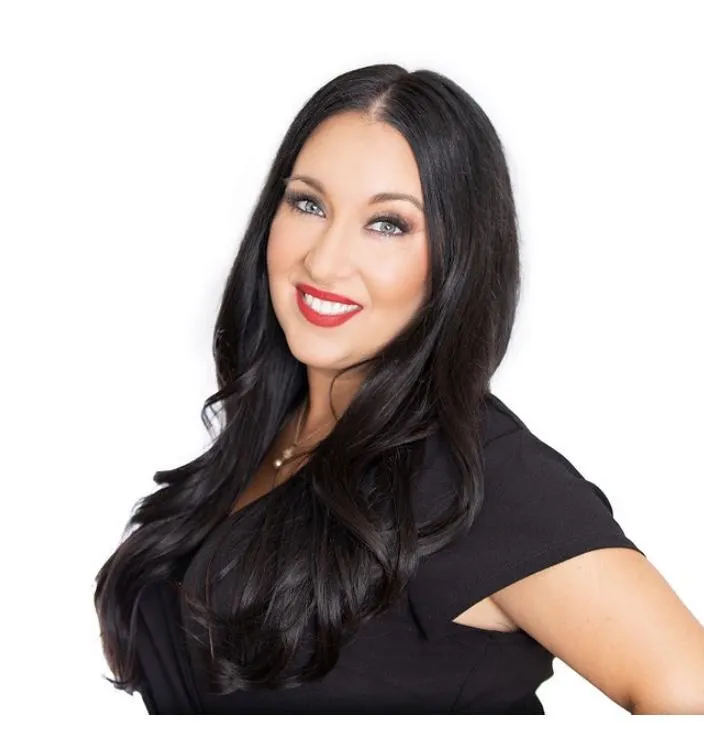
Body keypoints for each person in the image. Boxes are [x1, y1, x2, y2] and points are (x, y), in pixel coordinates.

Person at [93, 63, 704, 715]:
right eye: (308, 204)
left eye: (387, 224)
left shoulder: (481, 480)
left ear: (456, 258)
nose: (324, 260)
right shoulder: (272, 431)